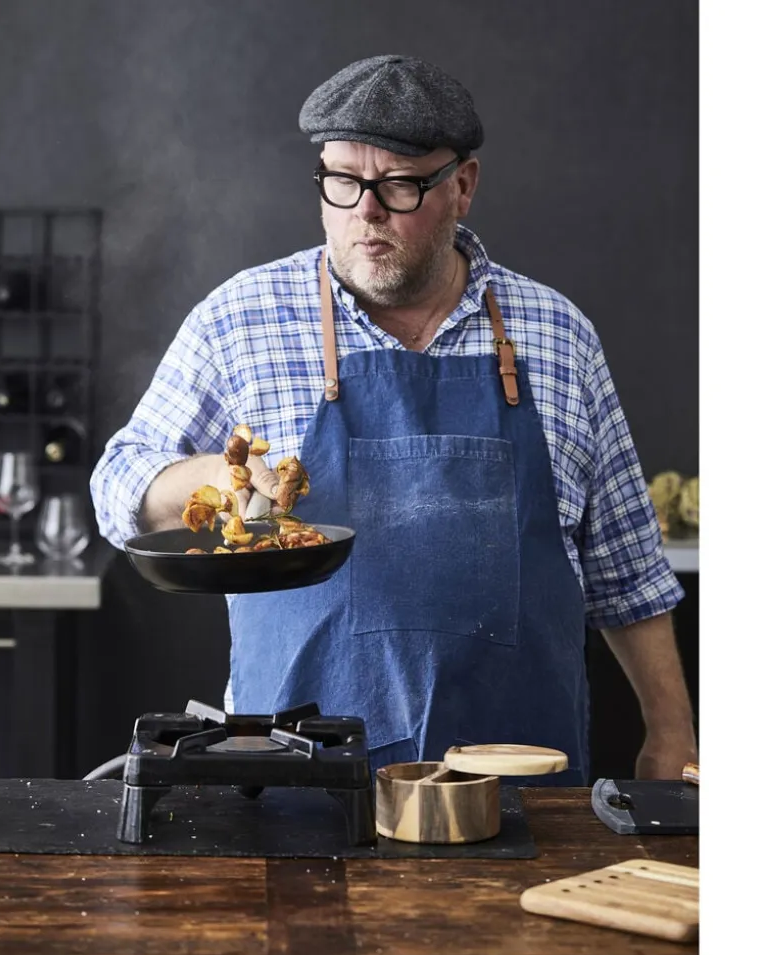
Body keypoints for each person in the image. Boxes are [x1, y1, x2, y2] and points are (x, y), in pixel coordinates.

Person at [90, 54, 698, 784]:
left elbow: (626, 570)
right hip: (295, 780)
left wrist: (673, 732)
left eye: (400, 185)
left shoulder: (557, 335)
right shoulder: (241, 320)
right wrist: (214, 480)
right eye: (343, 181)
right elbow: (117, 484)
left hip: (522, 782)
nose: (366, 212)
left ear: (462, 186)